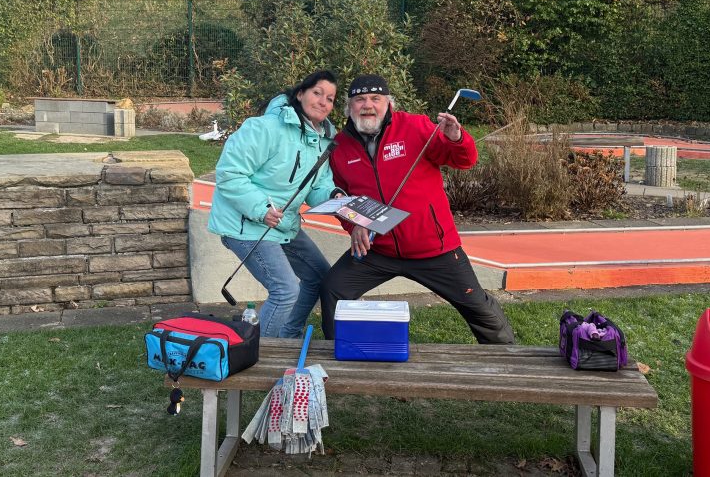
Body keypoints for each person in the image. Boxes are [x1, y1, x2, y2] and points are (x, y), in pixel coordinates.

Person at [320, 74, 515, 344]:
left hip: (434, 249)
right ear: (348, 107)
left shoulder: (416, 126)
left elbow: (465, 160)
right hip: (378, 250)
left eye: (376, 98)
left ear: (389, 103)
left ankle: (506, 359)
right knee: (333, 289)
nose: (368, 105)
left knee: (478, 307)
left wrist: (456, 137)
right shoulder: (340, 147)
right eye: (359, 99)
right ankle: (339, 355)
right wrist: (354, 226)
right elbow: (343, 198)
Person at [208, 70, 345, 338]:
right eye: (317, 93)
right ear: (300, 94)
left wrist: (334, 196)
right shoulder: (264, 128)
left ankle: (287, 337)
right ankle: (263, 354)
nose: (323, 102)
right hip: (245, 224)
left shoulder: (322, 140)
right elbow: (229, 173)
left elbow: (317, 186)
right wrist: (261, 209)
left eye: (330, 99)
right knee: (285, 291)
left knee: (320, 276)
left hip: (283, 225)